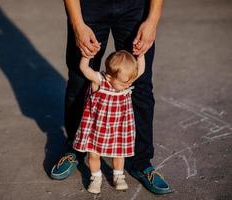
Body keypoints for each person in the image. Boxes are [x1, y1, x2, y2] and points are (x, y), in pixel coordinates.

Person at [51, 0, 172, 195]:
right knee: (80, 82)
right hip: (89, 8)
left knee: (140, 86)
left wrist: (152, 20)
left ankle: (141, 162)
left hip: (135, 8)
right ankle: (74, 149)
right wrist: (77, 24)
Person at [72, 50, 145, 194]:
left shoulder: (126, 78)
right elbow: (84, 69)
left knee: (119, 153)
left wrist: (141, 56)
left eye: (130, 81)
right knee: (93, 154)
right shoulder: (99, 81)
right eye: (125, 83)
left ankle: (118, 175)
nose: (129, 84)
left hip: (119, 127)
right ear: (110, 77)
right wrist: (86, 57)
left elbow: (141, 70)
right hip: (97, 127)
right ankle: (96, 177)